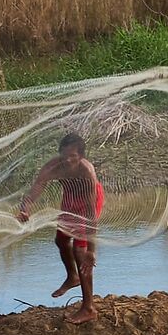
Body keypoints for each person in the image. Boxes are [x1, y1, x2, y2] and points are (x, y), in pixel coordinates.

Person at [16, 131, 102, 323]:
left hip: (88, 201)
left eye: (73, 156)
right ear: (59, 153)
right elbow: (35, 190)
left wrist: (91, 250)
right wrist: (25, 209)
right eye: (65, 155)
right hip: (70, 198)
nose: (68, 160)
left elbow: (89, 214)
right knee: (61, 239)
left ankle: (89, 308)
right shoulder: (52, 167)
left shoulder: (86, 172)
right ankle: (73, 276)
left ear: (81, 156)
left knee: (80, 251)